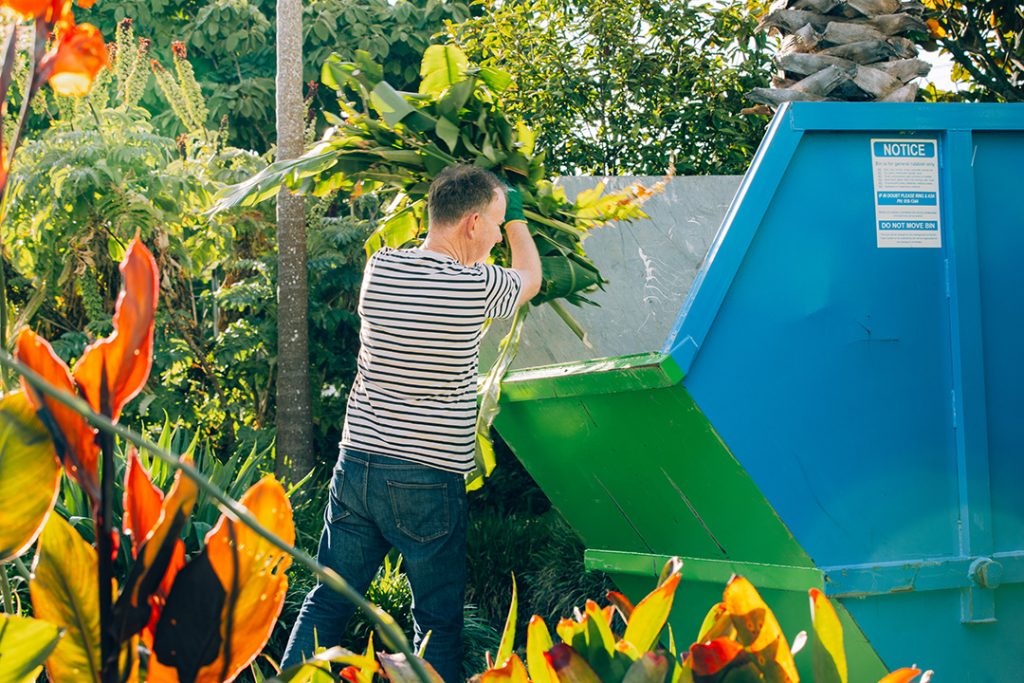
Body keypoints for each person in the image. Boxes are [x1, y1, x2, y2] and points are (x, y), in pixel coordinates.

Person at [280, 164, 542, 681]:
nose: (494, 231)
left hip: (357, 467)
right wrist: (519, 221)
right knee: (437, 624)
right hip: (425, 476)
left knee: (328, 601)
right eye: (492, 221)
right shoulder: (474, 286)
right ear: (472, 224)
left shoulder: (380, 267)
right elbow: (530, 278)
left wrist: (500, 214)